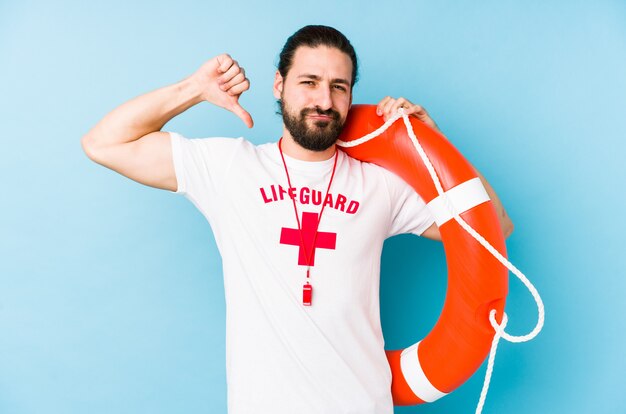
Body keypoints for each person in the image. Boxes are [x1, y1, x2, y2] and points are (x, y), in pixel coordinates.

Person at [81, 25, 513, 414]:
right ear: (279, 85)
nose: (324, 101)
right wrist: (194, 89)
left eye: (338, 87)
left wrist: (436, 148)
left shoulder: (380, 185)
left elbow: (495, 228)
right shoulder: (230, 168)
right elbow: (104, 143)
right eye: (309, 82)